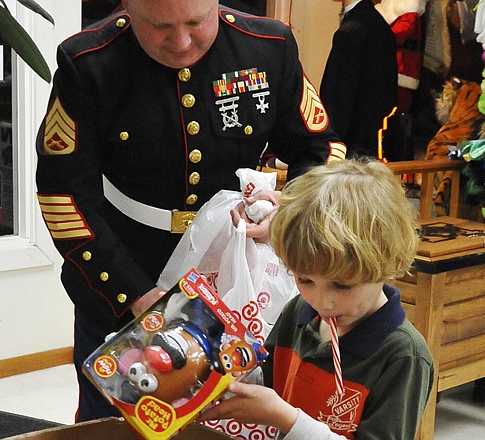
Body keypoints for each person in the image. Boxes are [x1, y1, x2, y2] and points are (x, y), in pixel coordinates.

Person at [35, 0, 346, 422]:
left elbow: (322, 149)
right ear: (127, 6)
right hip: (127, 266)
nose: (181, 42)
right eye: (160, 26)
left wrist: (290, 210)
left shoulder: (268, 47)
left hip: (238, 274)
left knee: (237, 416)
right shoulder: (90, 62)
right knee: (115, 421)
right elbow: (64, 193)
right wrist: (137, 295)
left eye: (197, 22)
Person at [200, 159, 435, 439]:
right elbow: (265, 380)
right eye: (304, 280)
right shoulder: (299, 311)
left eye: (343, 285)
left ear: (391, 264)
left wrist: (287, 419)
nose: (323, 302)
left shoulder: (403, 355)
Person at [320, 0, 399, 159]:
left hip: (349, 152)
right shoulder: (379, 25)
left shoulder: (351, 32)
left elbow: (337, 103)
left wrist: (326, 150)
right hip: (372, 148)